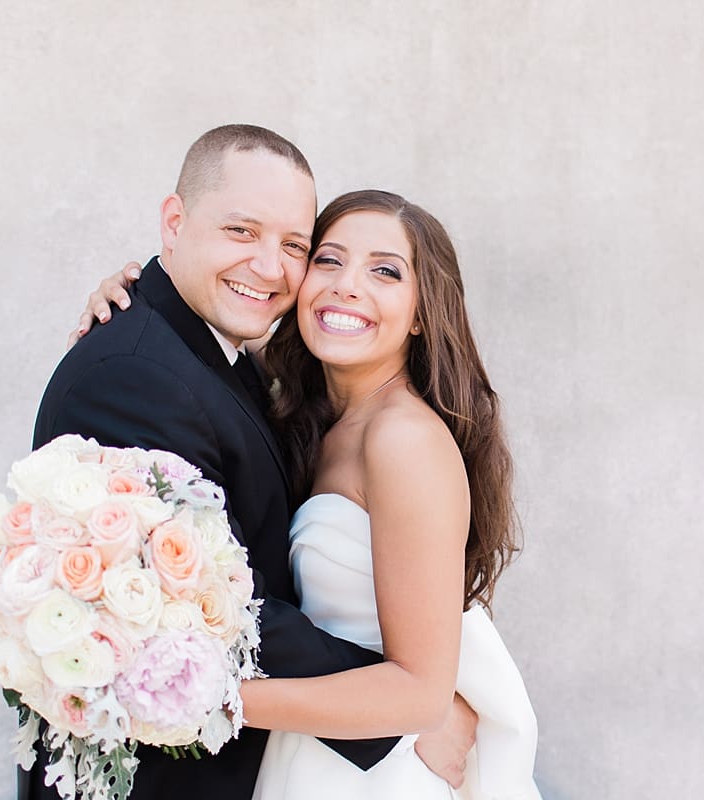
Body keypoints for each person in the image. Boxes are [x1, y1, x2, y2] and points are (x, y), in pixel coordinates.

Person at [26, 125, 475, 800]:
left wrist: (409, 704)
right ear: (173, 223)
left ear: (422, 311)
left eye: (294, 246)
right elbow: (199, 608)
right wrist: (401, 712)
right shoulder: (138, 374)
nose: (270, 267)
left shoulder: (239, 369)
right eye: (241, 231)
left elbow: (226, 595)